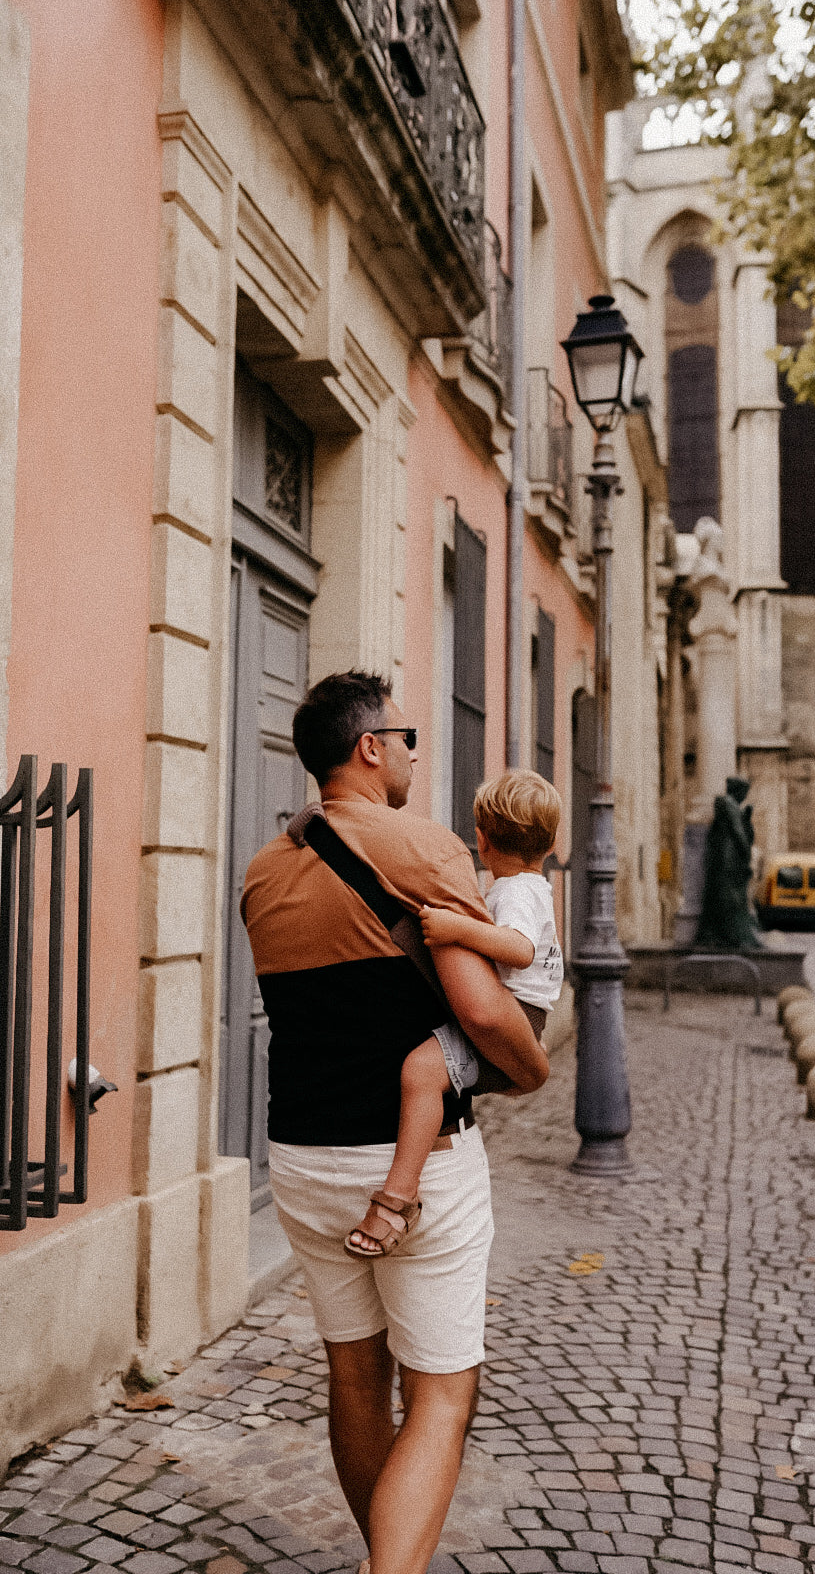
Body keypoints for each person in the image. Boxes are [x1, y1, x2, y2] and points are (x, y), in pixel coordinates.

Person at [240, 670, 548, 1574]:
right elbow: (486, 1015)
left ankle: (392, 1556)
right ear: (370, 748)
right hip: (414, 1161)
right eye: (406, 735)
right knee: (445, 1393)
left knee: (353, 1376)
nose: (416, 751)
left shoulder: (264, 869)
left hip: (300, 1155)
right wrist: (529, 1074)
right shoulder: (425, 849)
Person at [345, 768, 563, 1258]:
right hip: (524, 1015)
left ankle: (399, 1197)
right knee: (434, 1073)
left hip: (516, 1015)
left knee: (421, 1072)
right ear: (551, 844)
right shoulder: (530, 886)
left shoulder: (517, 891)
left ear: (482, 841)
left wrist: (452, 928)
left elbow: (520, 949)